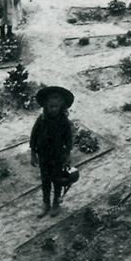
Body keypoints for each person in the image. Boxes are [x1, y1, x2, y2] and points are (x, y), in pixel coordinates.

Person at [30, 85, 75, 217]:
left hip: (57, 155)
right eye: (51, 106)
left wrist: (68, 154)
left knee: (58, 180)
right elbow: (34, 137)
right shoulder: (42, 119)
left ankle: (56, 203)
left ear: (62, 106)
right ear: (45, 105)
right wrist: (33, 154)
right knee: (45, 180)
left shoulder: (63, 121)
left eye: (56, 106)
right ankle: (45, 203)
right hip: (43, 154)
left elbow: (68, 139)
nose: (53, 109)